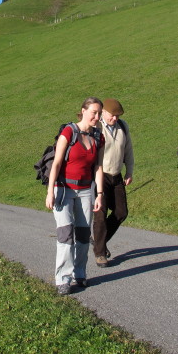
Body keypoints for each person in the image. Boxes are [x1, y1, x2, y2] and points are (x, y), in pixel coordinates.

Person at [46, 97, 105, 295]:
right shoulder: (69, 132)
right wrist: (50, 192)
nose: (96, 117)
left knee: (82, 235)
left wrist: (99, 194)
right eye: (93, 112)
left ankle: (79, 273)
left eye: (99, 113)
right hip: (63, 190)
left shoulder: (98, 137)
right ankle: (62, 278)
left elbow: (98, 166)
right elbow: (56, 164)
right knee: (65, 234)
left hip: (86, 190)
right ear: (83, 111)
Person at [92, 98, 134, 267]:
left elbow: (128, 150)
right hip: (99, 176)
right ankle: (100, 253)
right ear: (103, 112)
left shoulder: (122, 127)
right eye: (112, 115)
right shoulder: (97, 127)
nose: (115, 119)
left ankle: (98, 242)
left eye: (117, 116)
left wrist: (129, 171)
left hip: (116, 176)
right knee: (100, 215)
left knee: (121, 212)